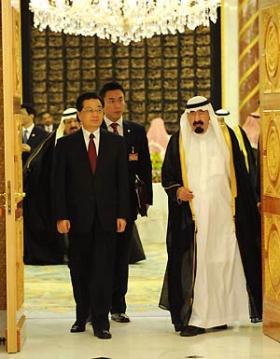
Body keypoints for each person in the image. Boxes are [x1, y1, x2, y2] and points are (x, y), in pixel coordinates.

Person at [159, 96, 262, 337]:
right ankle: (198, 318)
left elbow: (242, 179)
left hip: (225, 217)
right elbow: (168, 177)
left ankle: (221, 315)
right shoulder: (179, 142)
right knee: (200, 265)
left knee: (224, 262)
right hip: (194, 220)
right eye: (192, 116)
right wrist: (177, 191)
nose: (197, 120)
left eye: (201, 115)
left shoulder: (226, 139)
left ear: (209, 115)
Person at [54, 92, 129, 339]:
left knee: (103, 269)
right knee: (79, 268)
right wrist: (61, 215)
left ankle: (101, 321)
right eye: (89, 109)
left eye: (98, 109)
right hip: (77, 218)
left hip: (107, 217)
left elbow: (122, 182)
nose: (96, 113)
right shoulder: (66, 145)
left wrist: (122, 214)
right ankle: (81, 315)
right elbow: (58, 184)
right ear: (79, 114)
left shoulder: (115, 143)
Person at [99, 81, 153, 323]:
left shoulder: (135, 131)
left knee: (121, 257)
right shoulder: (93, 130)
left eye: (120, 99)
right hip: (97, 206)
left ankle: (118, 306)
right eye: (111, 100)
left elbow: (145, 166)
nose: (117, 104)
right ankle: (95, 307)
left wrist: (146, 200)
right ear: (102, 105)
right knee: (98, 257)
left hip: (126, 205)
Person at [23, 108, 80, 265]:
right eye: (69, 122)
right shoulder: (54, 143)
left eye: (75, 121)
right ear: (63, 125)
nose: (73, 125)